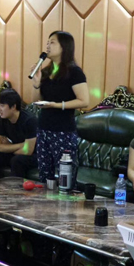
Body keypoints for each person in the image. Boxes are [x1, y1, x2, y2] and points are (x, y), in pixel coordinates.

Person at [30, 31, 89, 183]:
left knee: (65, 177)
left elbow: (84, 101)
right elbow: (36, 101)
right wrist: (36, 84)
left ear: (64, 47)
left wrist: (57, 105)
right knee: (44, 176)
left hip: (63, 131)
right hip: (43, 128)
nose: (47, 46)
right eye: (47, 42)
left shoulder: (74, 72)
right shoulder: (46, 71)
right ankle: (45, 199)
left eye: (52, 42)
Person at [0, 89, 38, 181]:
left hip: (36, 154)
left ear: (13, 106)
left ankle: (16, 189)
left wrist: (9, 148)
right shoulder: (1, 120)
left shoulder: (29, 120)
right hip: (19, 151)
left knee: (17, 161)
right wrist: (21, 145)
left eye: (2, 106)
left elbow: (28, 151)